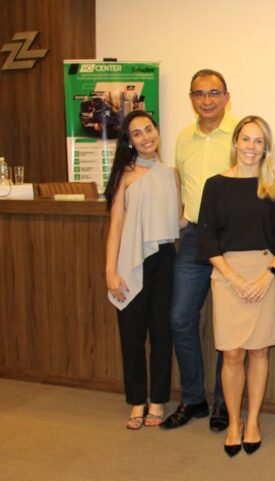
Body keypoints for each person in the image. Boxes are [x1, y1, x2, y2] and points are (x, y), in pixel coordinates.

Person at [197, 116, 275, 457]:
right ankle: (234, 422)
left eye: (259, 141)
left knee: (259, 350)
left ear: (266, 147)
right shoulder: (215, 185)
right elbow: (207, 237)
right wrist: (233, 278)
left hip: (266, 273)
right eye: (246, 139)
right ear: (235, 141)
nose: (252, 147)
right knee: (232, 352)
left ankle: (253, 421)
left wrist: (268, 275)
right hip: (226, 275)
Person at [163, 69, 237, 431]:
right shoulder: (183, 137)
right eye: (198, 94)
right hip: (194, 237)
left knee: (228, 323)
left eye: (213, 93)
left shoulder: (243, 133)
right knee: (180, 317)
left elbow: (270, 178)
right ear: (191, 98)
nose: (206, 100)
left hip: (233, 241)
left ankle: (224, 400)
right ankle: (193, 399)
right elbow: (182, 183)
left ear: (226, 97)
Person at [104, 110, 182, 429]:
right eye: (137, 133)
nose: (146, 137)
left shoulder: (171, 174)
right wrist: (110, 271)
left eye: (149, 129)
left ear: (157, 131)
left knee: (162, 334)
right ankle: (137, 401)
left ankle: (158, 400)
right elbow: (116, 225)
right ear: (130, 141)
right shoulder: (124, 175)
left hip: (164, 259)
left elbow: (177, 220)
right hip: (130, 261)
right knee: (132, 335)